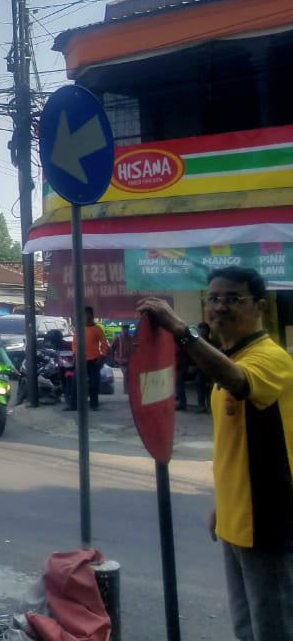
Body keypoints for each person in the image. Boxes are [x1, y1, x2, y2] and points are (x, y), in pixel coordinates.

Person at [137, 267, 293, 641]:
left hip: (270, 522)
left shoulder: (270, 357)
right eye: (214, 299)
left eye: (233, 299)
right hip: (238, 520)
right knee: (246, 628)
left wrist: (180, 329)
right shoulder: (231, 357)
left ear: (258, 306)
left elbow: (239, 382)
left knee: (272, 629)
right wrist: (224, 505)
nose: (220, 307)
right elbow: (238, 446)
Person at [79, 306, 109, 410]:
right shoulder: (79, 329)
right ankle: (77, 403)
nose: (86, 317)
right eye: (84, 314)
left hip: (94, 361)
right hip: (81, 361)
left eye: (88, 314)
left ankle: (94, 404)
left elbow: (104, 345)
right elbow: (74, 344)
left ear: (92, 315)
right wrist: (75, 355)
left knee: (94, 384)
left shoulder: (97, 329)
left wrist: (102, 356)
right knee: (78, 383)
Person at [110, 322, 133, 394]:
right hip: (122, 361)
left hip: (130, 361)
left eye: (127, 328)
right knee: (126, 374)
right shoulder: (118, 338)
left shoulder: (131, 338)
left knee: (131, 376)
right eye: (124, 328)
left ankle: (130, 391)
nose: (126, 330)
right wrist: (113, 358)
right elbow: (112, 348)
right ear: (122, 329)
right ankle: (126, 392)